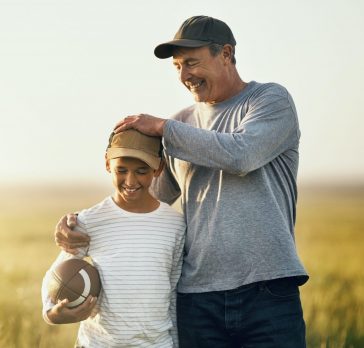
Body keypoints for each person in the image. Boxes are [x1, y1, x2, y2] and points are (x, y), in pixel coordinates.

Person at [55, 15, 309, 348]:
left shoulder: (268, 101)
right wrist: (76, 230)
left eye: (192, 63)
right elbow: (145, 202)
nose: (184, 75)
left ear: (227, 54)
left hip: (268, 292)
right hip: (197, 300)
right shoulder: (181, 125)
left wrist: (162, 129)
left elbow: (241, 155)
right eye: (177, 67)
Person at [42, 130, 186, 348]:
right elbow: (56, 274)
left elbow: (173, 294)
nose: (130, 180)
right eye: (121, 170)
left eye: (141, 171)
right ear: (107, 164)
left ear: (159, 168)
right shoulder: (89, 221)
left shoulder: (174, 225)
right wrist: (52, 313)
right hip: (98, 343)